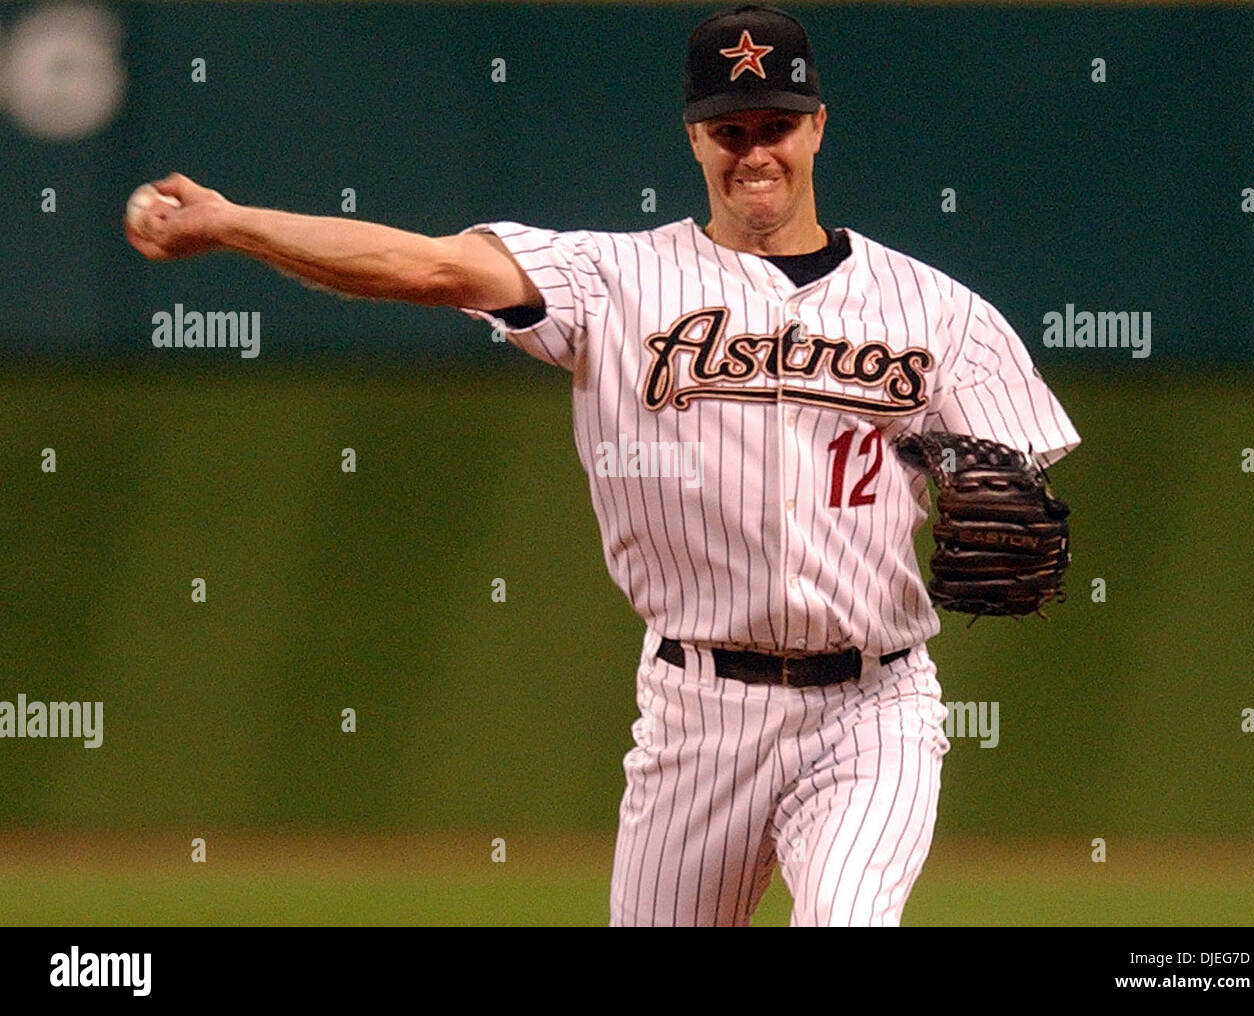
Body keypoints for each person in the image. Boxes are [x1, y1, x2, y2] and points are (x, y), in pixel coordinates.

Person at [126, 3, 1080, 926]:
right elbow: (430, 267)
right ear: (696, 140)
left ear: (818, 126)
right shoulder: (612, 278)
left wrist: (995, 500)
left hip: (876, 707)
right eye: (730, 129)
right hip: (696, 712)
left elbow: (1017, 488)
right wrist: (230, 222)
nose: (756, 152)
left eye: (777, 125)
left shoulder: (940, 312)